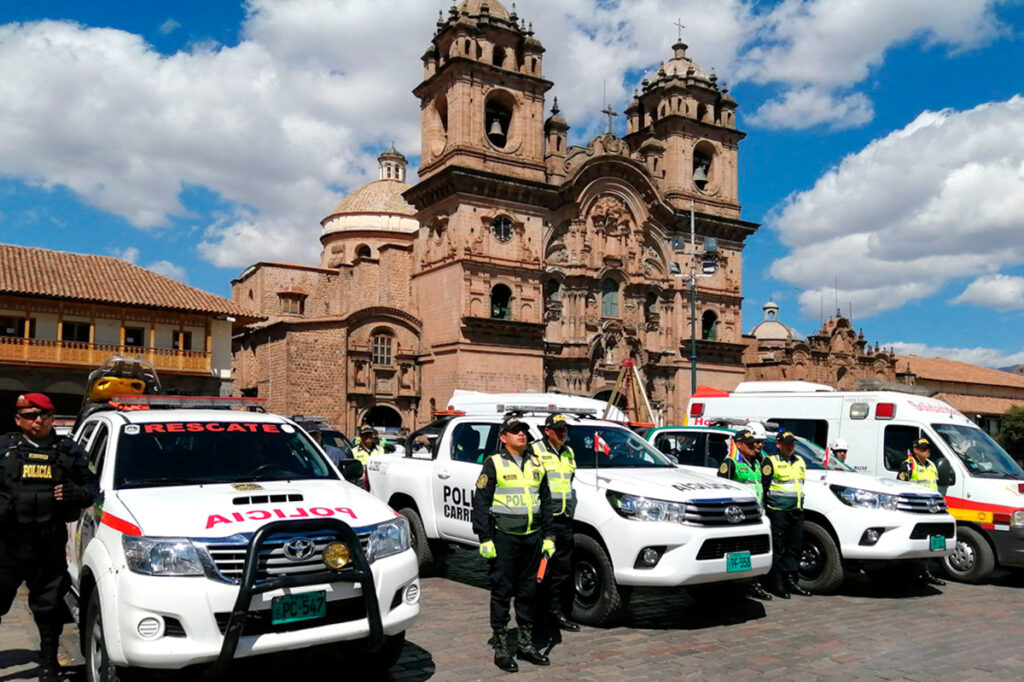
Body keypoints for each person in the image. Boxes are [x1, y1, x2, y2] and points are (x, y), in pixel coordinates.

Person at [0, 393, 97, 682]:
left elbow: (92, 487)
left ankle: (48, 663)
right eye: (30, 415)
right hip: (6, 543)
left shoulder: (69, 450)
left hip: (48, 542)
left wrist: (76, 493)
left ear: (53, 418)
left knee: (50, 606)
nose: (38, 420)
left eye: (44, 415)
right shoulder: (3, 448)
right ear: (18, 419)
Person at [471, 416, 555, 672]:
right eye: (515, 431)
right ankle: (501, 649)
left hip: (532, 537)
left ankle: (526, 645)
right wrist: (484, 538)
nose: (521, 434)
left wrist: (549, 536)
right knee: (502, 592)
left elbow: (546, 501)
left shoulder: (536, 462)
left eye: (524, 431)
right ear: (503, 437)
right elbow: (481, 503)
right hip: (504, 538)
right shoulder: (493, 463)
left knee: (528, 593)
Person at [530, 413, 580, 642]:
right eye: (558, 429)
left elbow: (569, 482)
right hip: (543, 521)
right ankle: (538, 619)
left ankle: (558, 613)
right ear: (547, 431)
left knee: (563, 570)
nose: (563, 433)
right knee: (542, 572)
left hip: (564, 519)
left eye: (564, 429)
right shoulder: (535, 451)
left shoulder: (568, 452)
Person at [718, 428, 773, 600]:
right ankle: (739, 584)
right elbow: (722, 489)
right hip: (738, 517)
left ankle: (751, 582)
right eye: (749, 444)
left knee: (753, 549)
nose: (753, 446)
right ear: (739, 444)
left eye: (753, 443)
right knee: (737, 550)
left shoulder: (757, 462)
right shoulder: (731, 463)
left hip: (756, 514)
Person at [763, 430, 811, 599]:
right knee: (779, 548)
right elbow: (765, 486)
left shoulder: (800, 461)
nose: (790, 446)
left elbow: (799, 484)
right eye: (787, 443)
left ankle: (791, 581)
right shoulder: (771, 461)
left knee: (794, 547)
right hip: (778, 512)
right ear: (778, 445)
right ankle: (777, 583)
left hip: (796, 510)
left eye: (792, 443)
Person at [898, 437, 946, 586]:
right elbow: (901, 485)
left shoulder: (931, 465)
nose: (927, 450)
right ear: (915, 450)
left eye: (928, 448)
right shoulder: (908, 465)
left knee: (932, 543)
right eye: (923, 448)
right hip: (915, 510)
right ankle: (912, 573)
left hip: (931, 509)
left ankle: (925, 572)